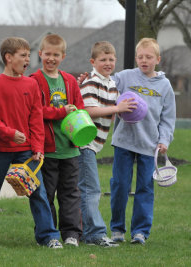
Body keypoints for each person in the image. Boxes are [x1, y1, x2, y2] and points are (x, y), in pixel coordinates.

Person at [0, 37, 62, 249]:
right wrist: (9, 133)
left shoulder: (32, 84)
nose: (28, 59)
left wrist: (37, 147)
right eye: (23, 55)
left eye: (28, 55)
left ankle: (49, 237)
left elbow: (36, 118)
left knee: (38, 193)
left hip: (26, 151)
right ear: (9, 58)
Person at [109, 38, 176, 245]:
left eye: (148, 57)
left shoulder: (164, 86)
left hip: (150, 145)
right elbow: (105, 84)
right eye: (140, 57)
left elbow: (168, 117)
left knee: (145, 188)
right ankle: (117, 229)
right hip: (124, 142)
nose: (144, 61)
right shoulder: (125, 76)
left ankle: (140, 232)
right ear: (136, 58)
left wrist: (164, 140)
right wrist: (89, 79)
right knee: (120, 184)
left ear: (157, 59)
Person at [78, 41, 136, 247]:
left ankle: (83, 233)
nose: (108, 62)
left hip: (94, 144)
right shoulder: (92, 82)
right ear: (93, 62)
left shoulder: (111, 83)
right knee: (90, 189)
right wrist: (116, 108)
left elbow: (112, 111)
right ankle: (96, 234)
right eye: (103, 59)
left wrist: (123, 108)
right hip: (83, 143)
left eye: (111, 59)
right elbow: (88, 110)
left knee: (85, 189)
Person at [29, 34, 83, 247]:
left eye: (56, 55)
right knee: (46, 194)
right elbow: (35, 112)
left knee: (70, 194)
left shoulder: (69, 80)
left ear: (63, 56)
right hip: (47, 150)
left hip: (69, 149)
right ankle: (48, 234)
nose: (51, 58)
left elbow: (80, 108)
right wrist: (60, 112)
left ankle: (71, 234)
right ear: (40, 53)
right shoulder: (34, 81)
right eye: (47, 54)